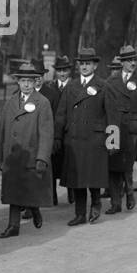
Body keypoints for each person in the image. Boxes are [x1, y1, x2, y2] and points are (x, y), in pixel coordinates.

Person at [54, 47, 120, 225]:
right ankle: (80, 214)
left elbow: (113, 116)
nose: (84, 67)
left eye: (88, 64)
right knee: (77, 179)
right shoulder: (71, 87)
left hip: (95, 140)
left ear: (95, 66)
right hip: (74, 139)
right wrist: (57, 137)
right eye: (81, 64)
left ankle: (96, 203)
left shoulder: (103, 86)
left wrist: (112, 142)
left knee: (93, 177)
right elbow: (61, 114)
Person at [0, 61, 54, 237]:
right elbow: (2, 129)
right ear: (18, 82)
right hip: (13, 155)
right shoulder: (10, 102)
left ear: (36, 81)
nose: (27, 84)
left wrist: (42, 157)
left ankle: (34, 209)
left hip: (31, 153)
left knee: (30, 189)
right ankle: (13, 226)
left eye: (30, 81)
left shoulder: (42, 103)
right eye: (23, 81)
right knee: (13, 192)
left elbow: (46, 132)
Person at [103, 44, 137, 214]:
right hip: (114, 128)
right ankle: (115, 203)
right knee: (113, 164)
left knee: (127, 164)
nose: (133, 63)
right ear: (122, 62)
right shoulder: (111, 81)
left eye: (134, 60)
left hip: (133, 128)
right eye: (129, 60)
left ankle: (130, 193)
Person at [39, 55, 73, 205]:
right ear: (56, 72)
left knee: (70, 164)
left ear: (69, 72)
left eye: (65, 70)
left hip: (69, 131)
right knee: (53, 164)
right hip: (55, 131)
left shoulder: (74, 86)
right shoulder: (51, 88)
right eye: (60, 71)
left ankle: (71, 193)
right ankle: (52, 195)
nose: (62, 73)